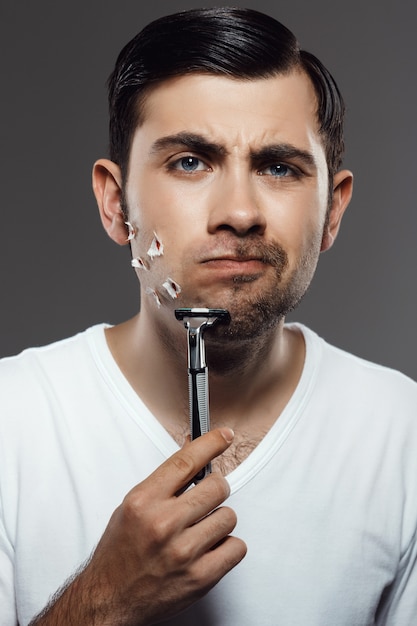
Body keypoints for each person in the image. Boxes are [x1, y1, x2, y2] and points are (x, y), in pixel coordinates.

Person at [0, 7, 416, 625]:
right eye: (190, 162)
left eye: (279, 167)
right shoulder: (11, 421)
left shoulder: (403, 438)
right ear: (116, 206)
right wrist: (102, 602)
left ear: (333, 212)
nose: (240, 213)